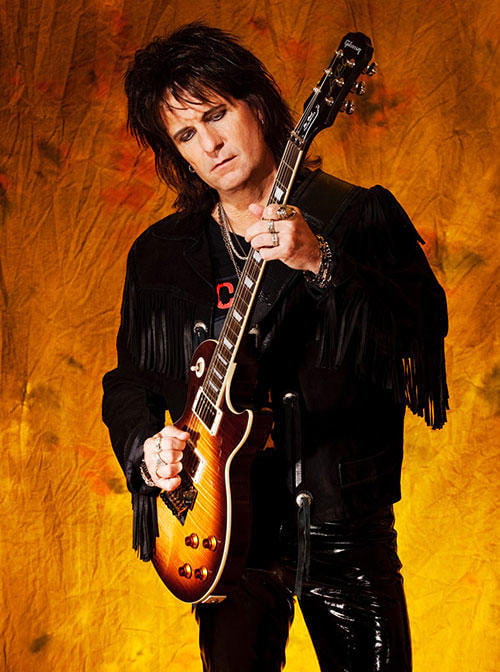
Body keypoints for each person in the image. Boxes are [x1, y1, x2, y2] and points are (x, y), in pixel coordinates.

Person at [102, 22, 448, 672]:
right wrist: (146, 446)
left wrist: (321, 261)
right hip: (225, 527)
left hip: (342, 526)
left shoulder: (356, 217)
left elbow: (418, 335)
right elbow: (131, 381)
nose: (210, 144)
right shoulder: (161, 256)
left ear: (257, 105)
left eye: (216, 114)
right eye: (186, 134)